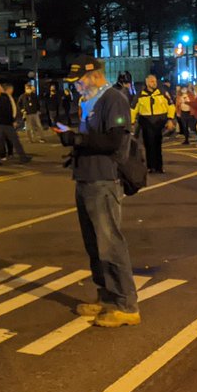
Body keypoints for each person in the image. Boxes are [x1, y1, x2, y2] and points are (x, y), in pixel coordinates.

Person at [57, 55, 139, 327]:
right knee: (94, 244)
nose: (76, 87)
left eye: (79, 81)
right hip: (86, 177)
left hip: (104, 179)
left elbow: (115, 140)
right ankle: (106, 296)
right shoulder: (88, 102)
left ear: (94, 76)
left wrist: (77, 138)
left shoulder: (113, 99)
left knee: (109, 242)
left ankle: (125, 304)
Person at [132, 74, 175, 174]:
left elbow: (170, 105)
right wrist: (132, 122)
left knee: (157, 144)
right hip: (146, 122)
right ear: (147, 83)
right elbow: (133, 109)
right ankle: (150, 166)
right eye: (151, 81)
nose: (154, 83)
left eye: (155, 81)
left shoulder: (162, 93)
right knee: (148, 145)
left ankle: (159, 166)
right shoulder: (140, 94)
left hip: (159, 122)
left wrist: (170, 119)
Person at [0, 82, 31, 165]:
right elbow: (7, 111)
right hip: (7, 124)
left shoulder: (0, 97)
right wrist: (12, 121)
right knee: (15, 141)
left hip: (0, 123)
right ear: (8, 89)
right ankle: (23, 158)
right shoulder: (5, 97)